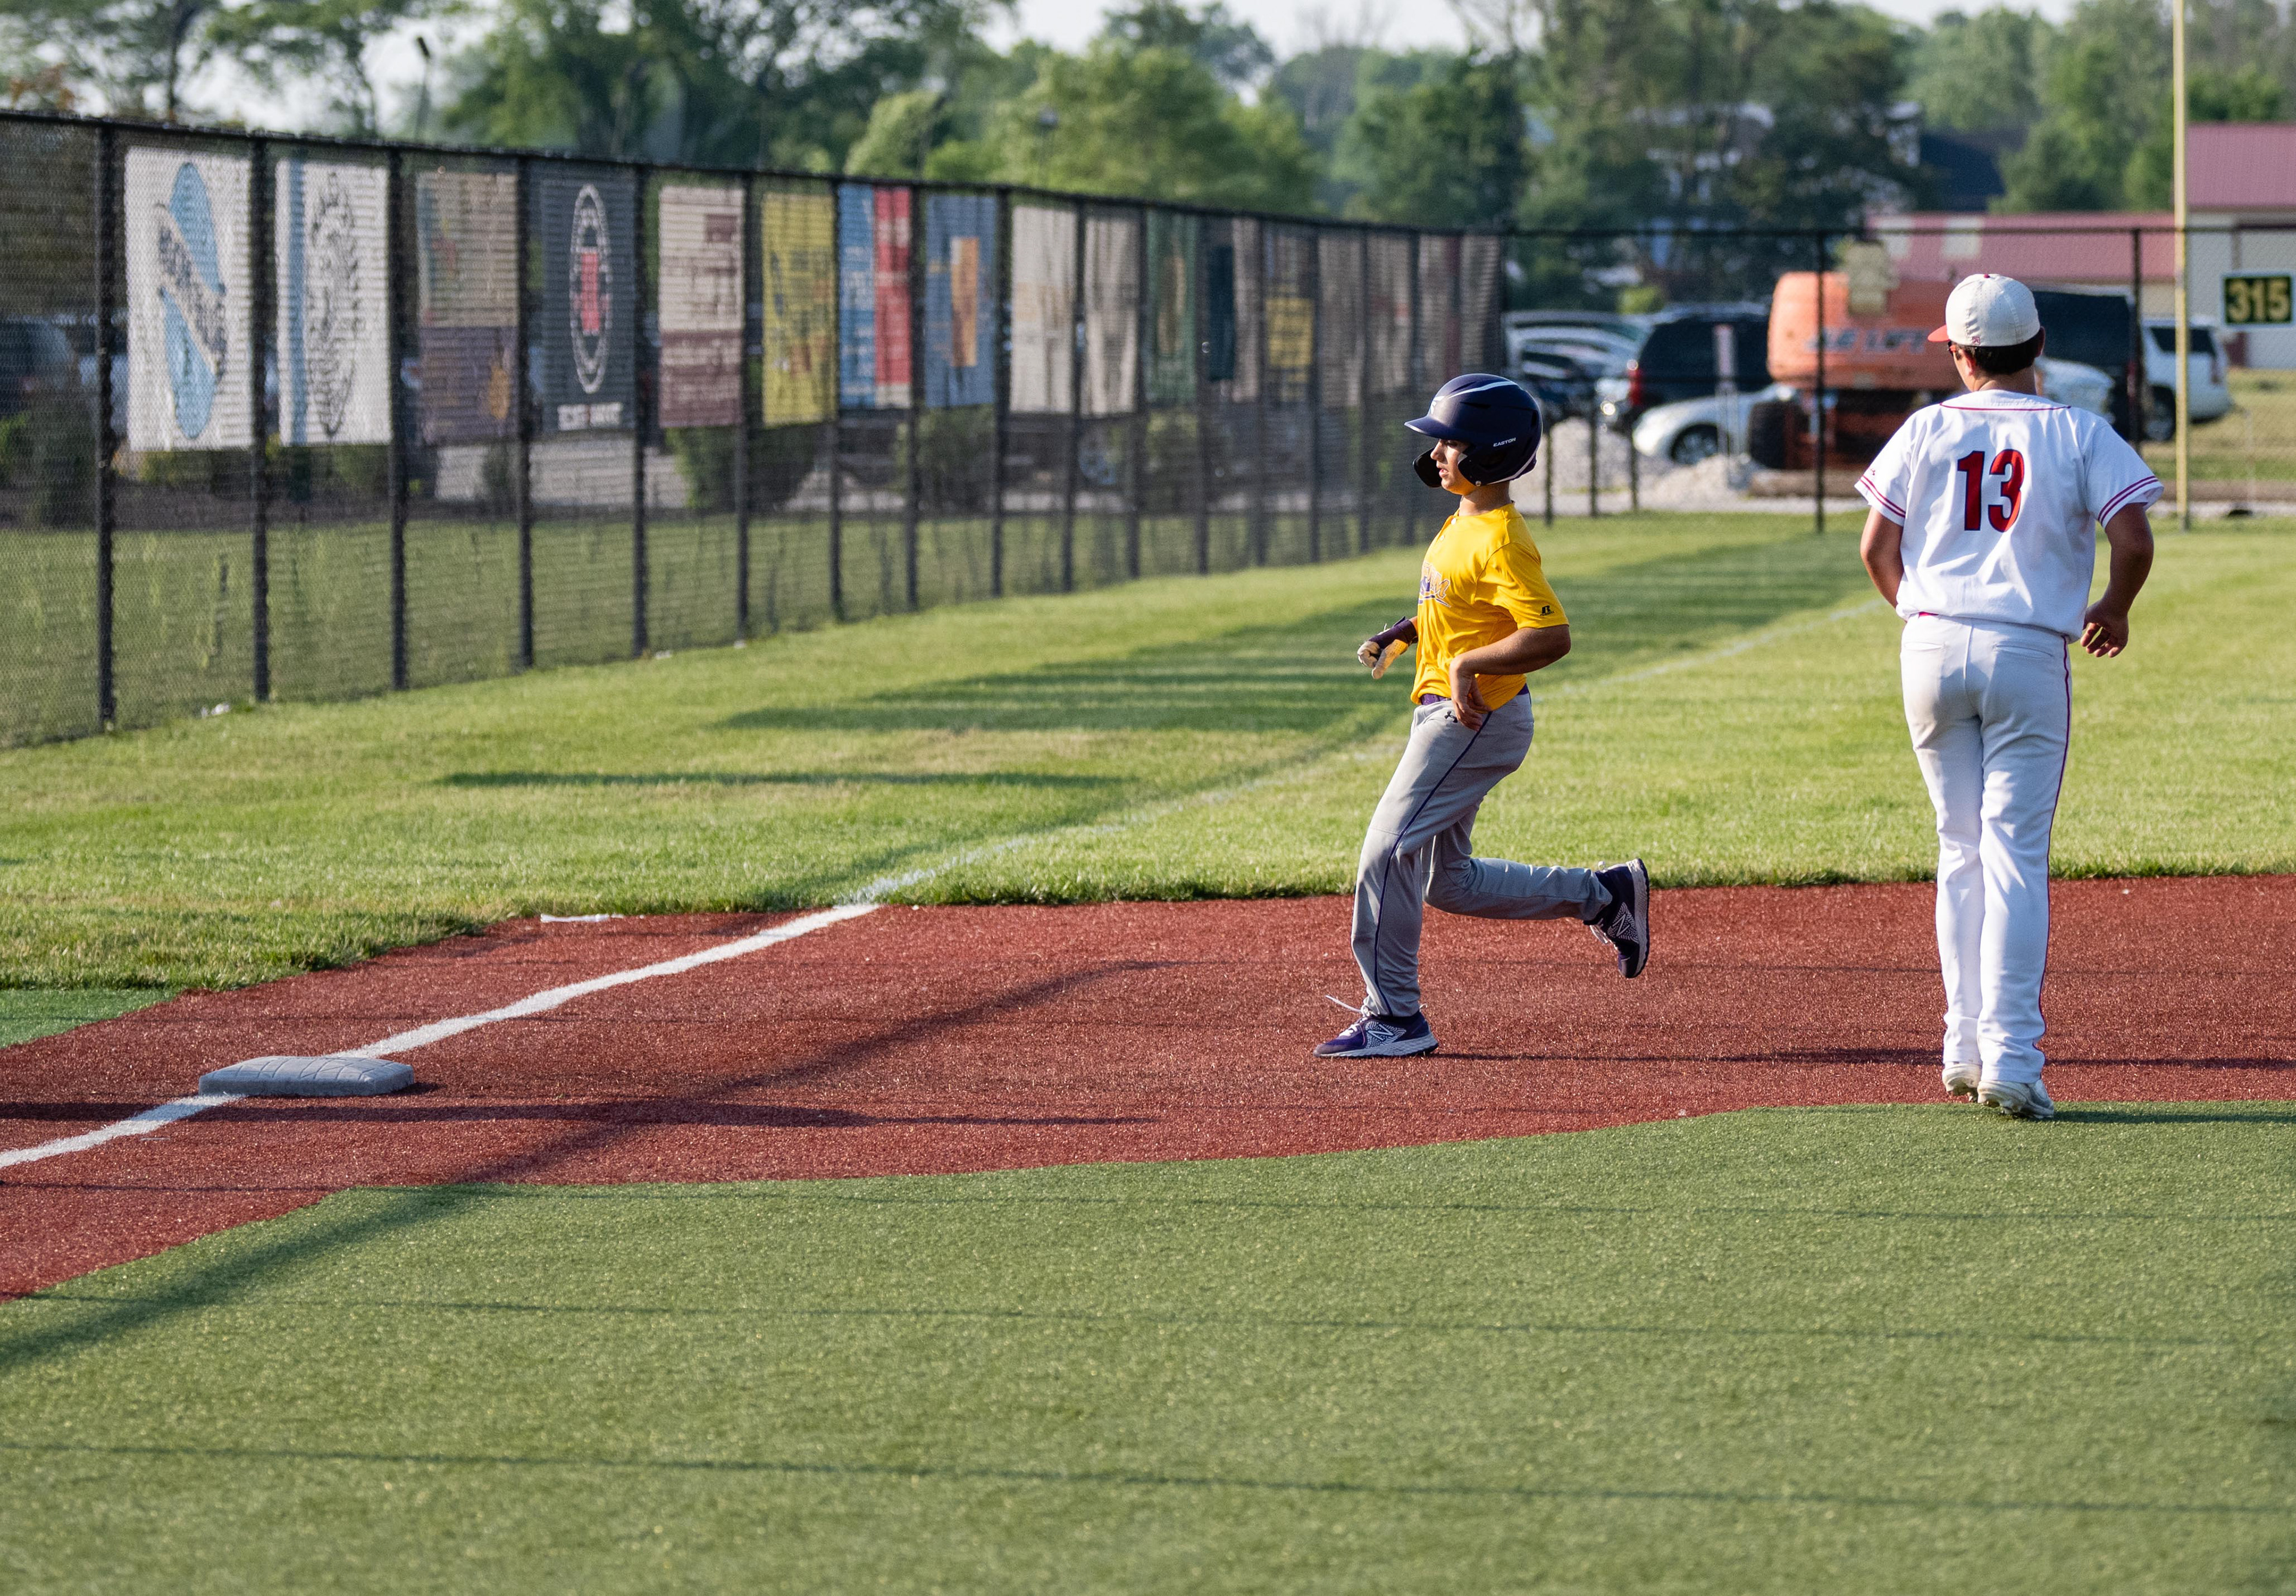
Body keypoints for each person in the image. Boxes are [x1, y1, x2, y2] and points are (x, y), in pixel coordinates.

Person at [1856, 273, 2159, 1120]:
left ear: (1961, 355)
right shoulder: (2077, 429)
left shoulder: (1927, 427)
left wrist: (1923, 619)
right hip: (2027, 648)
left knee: (1958, 847)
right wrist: (2114, 608)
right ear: (2040, 345)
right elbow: (2133, 539)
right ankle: (2014, 1060)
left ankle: (1962, 1047)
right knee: (2014, 851)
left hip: (1931, 642)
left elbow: (1876, 548)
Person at [1315, 374, 1650, 1060]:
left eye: (1451, 443)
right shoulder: (1463, 519)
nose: (1437, 454)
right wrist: (1405, 633)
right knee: (1449, 882)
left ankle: (1395, 1016)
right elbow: (1462, 606)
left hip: (1473, 721)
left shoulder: (1501, 536)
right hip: (1454, 717)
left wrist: (1468, 665)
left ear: (1492, 452)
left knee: (1387, 851)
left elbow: (1550, 635)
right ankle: (1604, 896)